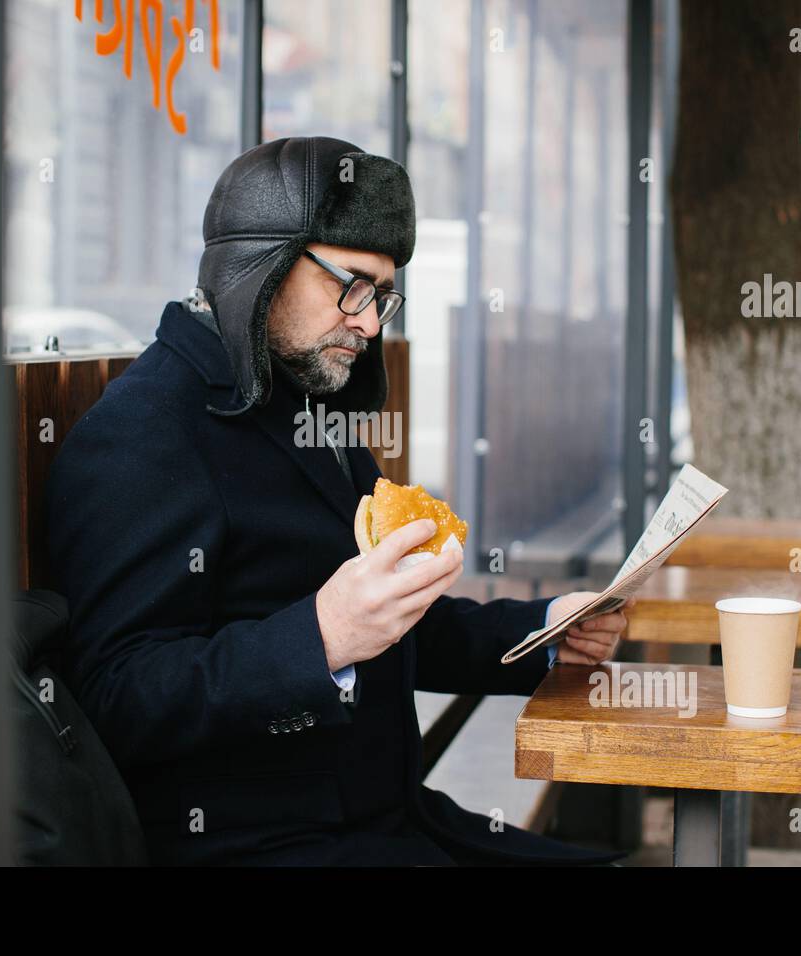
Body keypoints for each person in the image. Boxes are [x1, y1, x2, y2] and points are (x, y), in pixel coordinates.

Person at [45, 136, 631, 866]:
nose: (370, 321)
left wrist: (542, 634)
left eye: (383, 294)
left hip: (388, 822)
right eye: (351, 284)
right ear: (258, 263)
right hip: (252, 846)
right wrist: (318, 639)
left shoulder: (301, 404)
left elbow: (390, 622)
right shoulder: (144, 432)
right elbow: (114, 697)